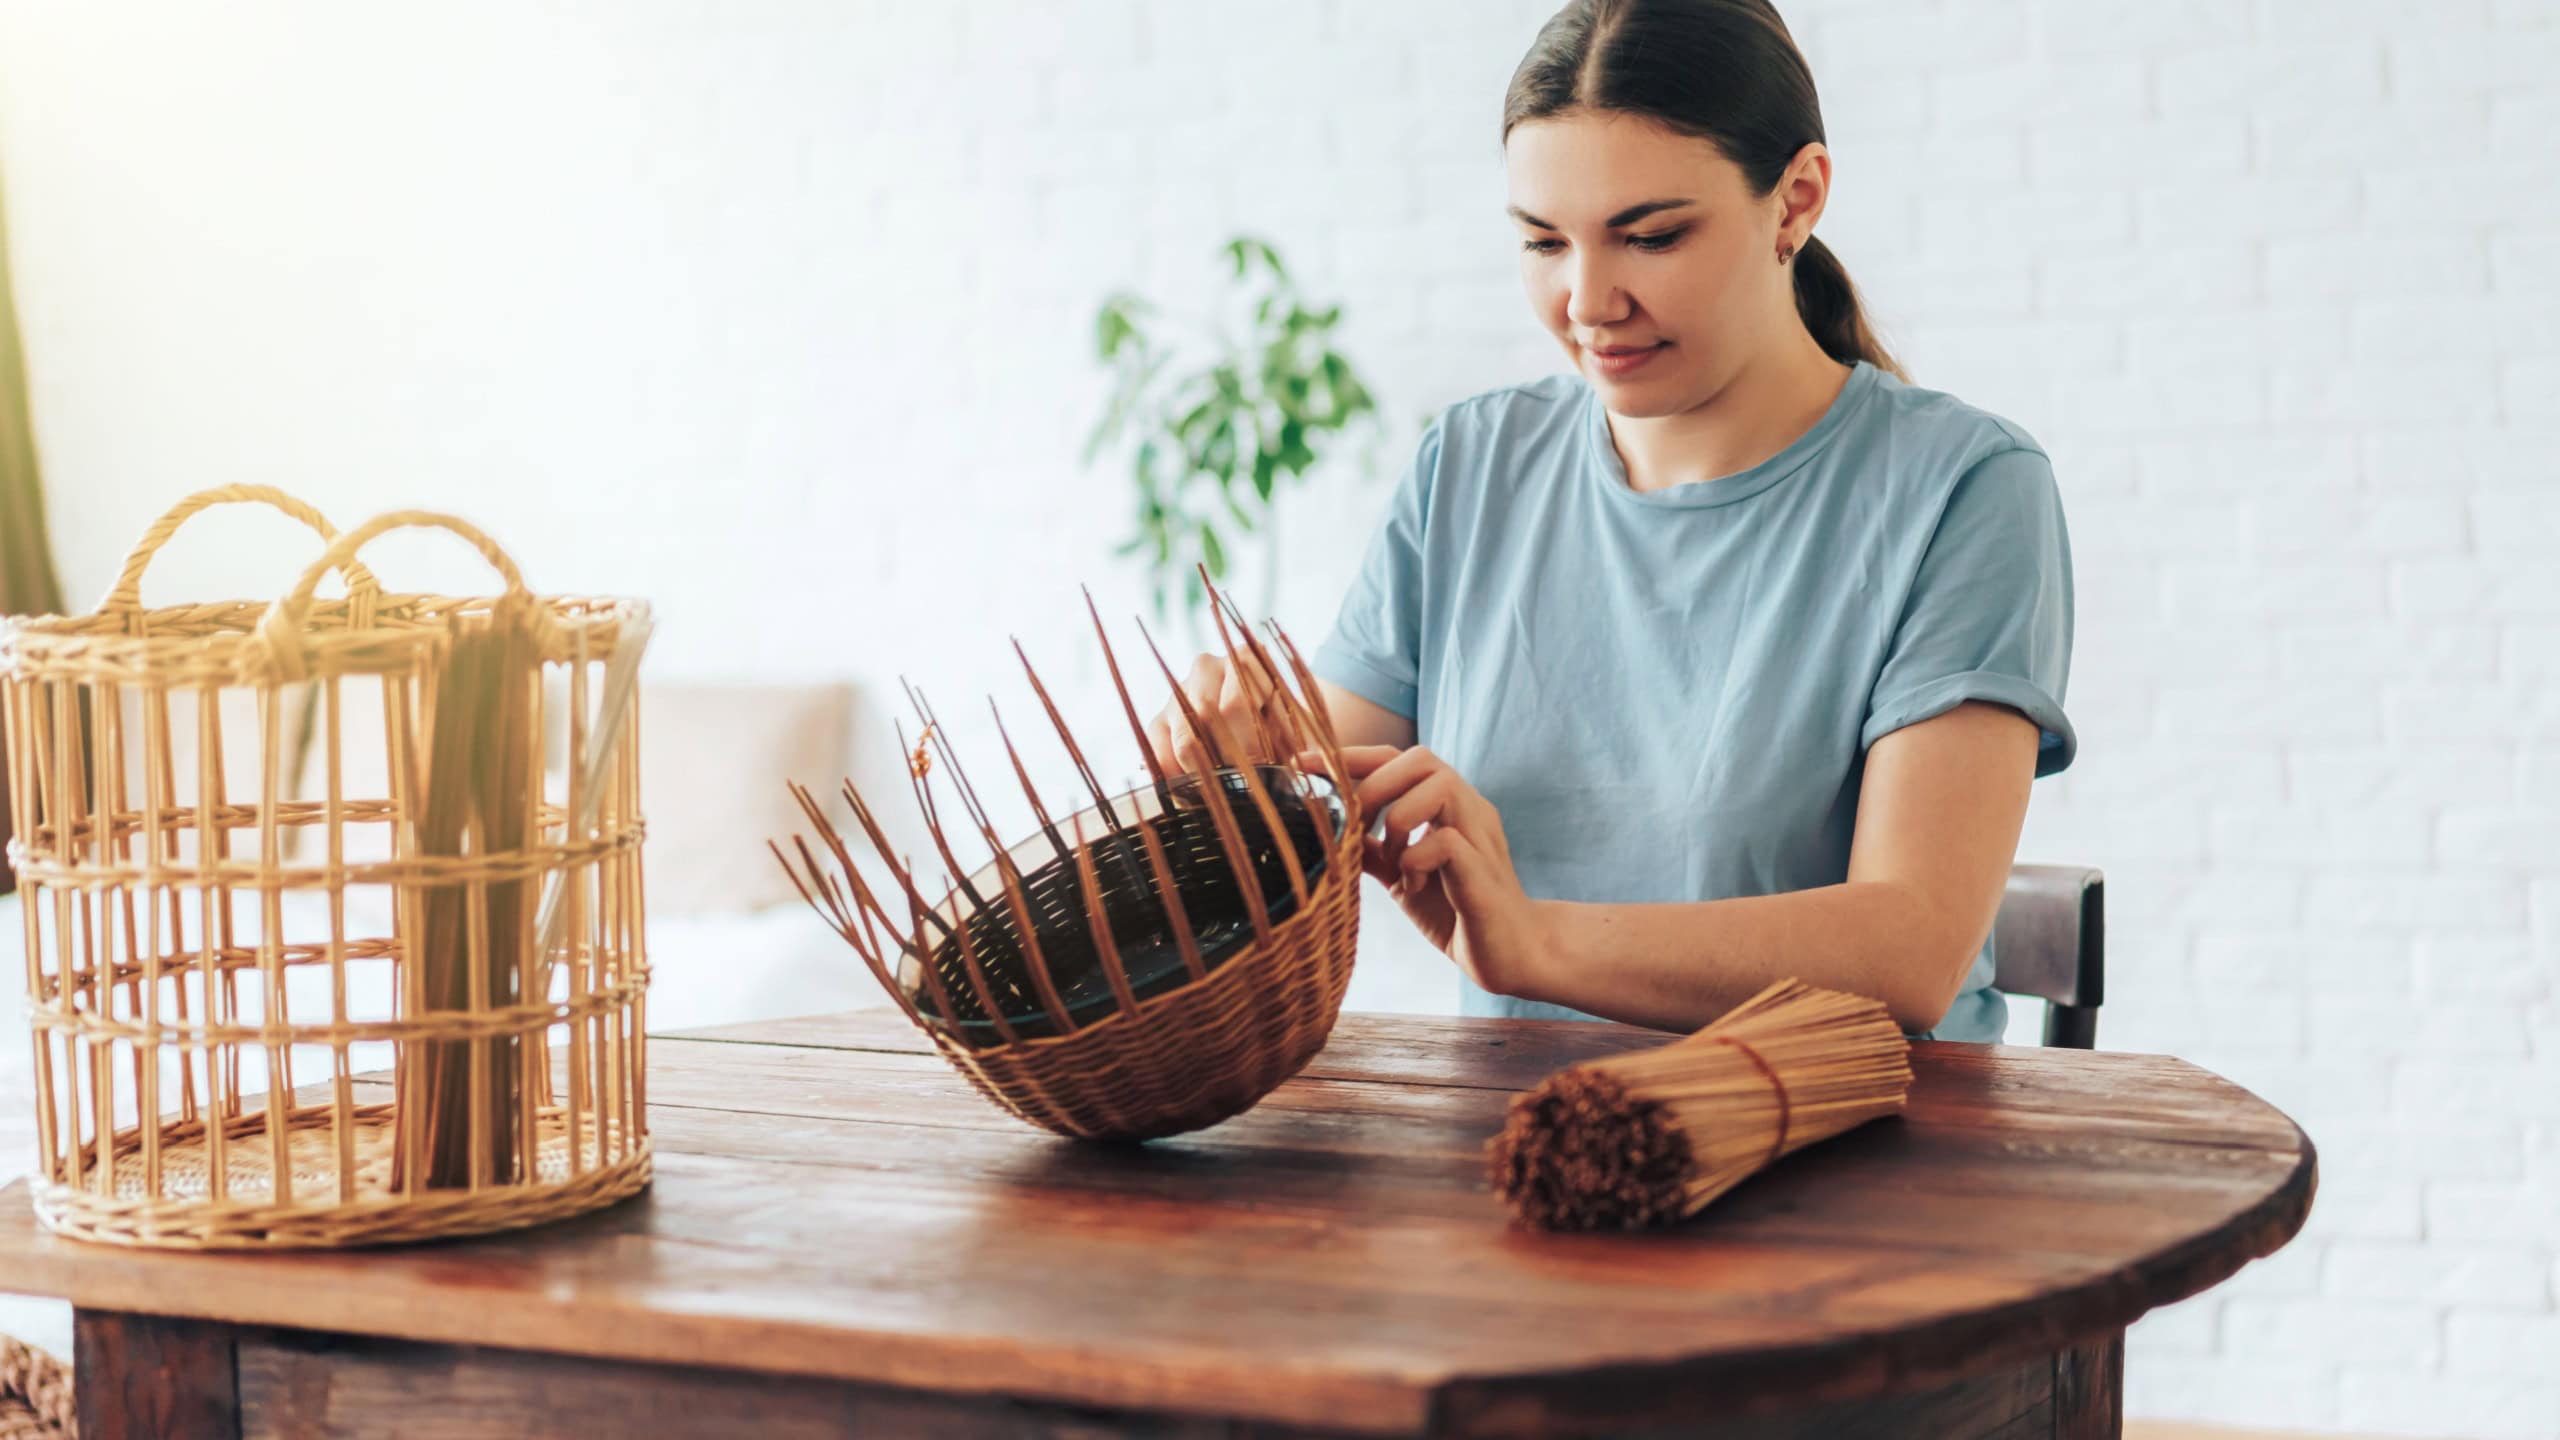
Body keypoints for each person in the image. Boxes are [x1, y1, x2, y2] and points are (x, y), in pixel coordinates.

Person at [1146, 0, 2073, 1043]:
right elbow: (1314, 814)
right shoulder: (1469, 466)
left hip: (1849, 1165)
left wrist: (1534, 944)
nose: (1587, 301)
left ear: (1795, 200)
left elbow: (1908, 949)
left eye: (1650, 236)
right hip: (1532, 1154)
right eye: (1543, 242)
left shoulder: (1964, 489)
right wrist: (1239, 774)